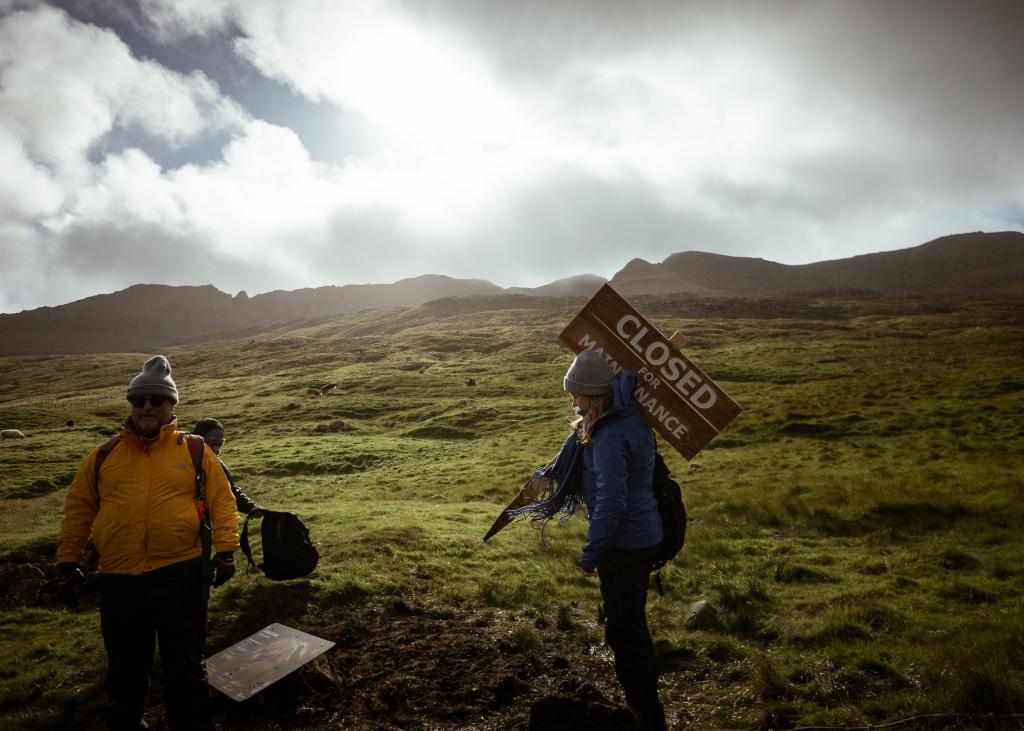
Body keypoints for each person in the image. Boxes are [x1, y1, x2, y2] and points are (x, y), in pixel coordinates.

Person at [55, 355, 240, 731]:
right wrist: (67, 563)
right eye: (140, 400)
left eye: (157, 400)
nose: (147, 407)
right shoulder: (103, 455)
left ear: (172, 405)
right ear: (131, 405)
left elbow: (223, 500)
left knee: (185, 667)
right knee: (125, 669)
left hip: (182, 573)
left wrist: (225, 552)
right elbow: (79, 509)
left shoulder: (194, 450)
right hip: (120, 579)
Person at [519, 349, 666, 729]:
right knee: (626, 625)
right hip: (634, 536)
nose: (572, 400)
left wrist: (591, 554)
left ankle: (645, 716)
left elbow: (612, 503)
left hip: (627, 543)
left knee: (626, 631)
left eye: (578, 393)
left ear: (595, 394)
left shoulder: (611, 435)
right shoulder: (617, 420)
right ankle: (644, 709)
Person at [192, 418, 264, 518]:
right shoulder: (181, 459)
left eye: (219, 444)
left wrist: (251, 507)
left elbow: (231, 490)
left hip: (205, 521)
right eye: (212, 443)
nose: (216, 449)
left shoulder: (217, 464)